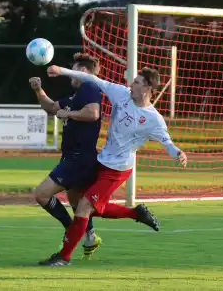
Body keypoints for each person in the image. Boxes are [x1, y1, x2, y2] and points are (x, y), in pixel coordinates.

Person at [37, 64, 188, 266]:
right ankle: (136, 213)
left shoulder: (154, 119)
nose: (131, 84)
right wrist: (62, 71)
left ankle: (63, 256)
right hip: (102, 160)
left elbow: (167, 142)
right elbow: (92, 78)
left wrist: (177, 152)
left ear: (148, 89)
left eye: (137, 82)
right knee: (91, 207)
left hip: (118, 169)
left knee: (83, 206)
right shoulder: (121, 93)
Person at [30, 53, 103, 259]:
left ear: (83, 72)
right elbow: (51, 108)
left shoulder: (89, 87)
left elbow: (93, 113)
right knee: (77, 201)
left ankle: (72, 228)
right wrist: (38, 89)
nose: (69, 73)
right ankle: (89, 235)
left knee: (41, 194)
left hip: (78, 158)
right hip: (75, 157)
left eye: (73, 69)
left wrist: (68, 114)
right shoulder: (76, 95)